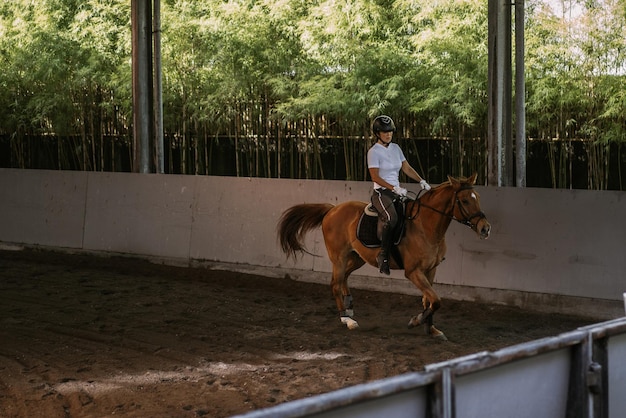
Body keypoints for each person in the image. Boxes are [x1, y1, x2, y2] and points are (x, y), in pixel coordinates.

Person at [367, 115, 431, 275]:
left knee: (414, 212)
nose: (388, 134)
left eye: (390, 131)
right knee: (391, 218)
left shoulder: (396, 148)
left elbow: (407, 168)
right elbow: (375, 177)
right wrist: (393, 188)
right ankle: (383, 256)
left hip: (397, 191)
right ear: (377, 133)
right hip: (381, 193)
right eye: (384, 132)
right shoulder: (373, 152)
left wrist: (421, 180)